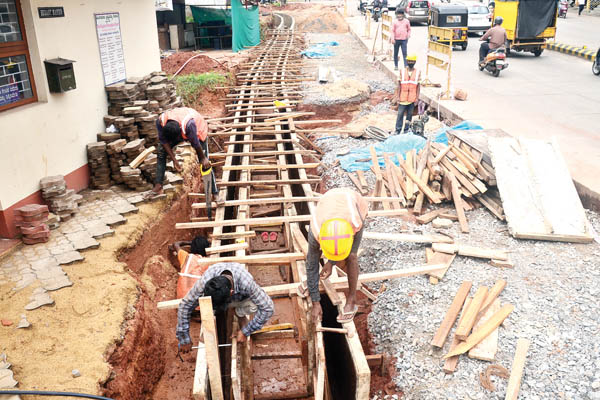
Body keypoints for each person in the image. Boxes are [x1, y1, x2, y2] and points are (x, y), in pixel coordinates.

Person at [177, 262, 274, 352]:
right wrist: (184, 339)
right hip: (224, 296)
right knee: (202, 303)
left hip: (240, 298)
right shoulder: (205, 281)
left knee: (254, 306)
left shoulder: (246, 283)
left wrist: (246, 331)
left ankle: (239, 312)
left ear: (231, 292)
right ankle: (208, 329)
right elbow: (185, 305)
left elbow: (268, 308)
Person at [305, 188, 369, 324]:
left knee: (351, 256)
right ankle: (313, 285)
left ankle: (352, 301)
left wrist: (331, 262)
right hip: (329, 201)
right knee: (312, 263)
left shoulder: (355, 223)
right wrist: (316, 301)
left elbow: (344, 248)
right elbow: (311, 264)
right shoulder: (315, 231)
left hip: (352, 202)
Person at [147, 107, 217, 198]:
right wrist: (174, 160)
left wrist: (203, 158)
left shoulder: (189, 125)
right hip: (180, 128)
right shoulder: (160, 121)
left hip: (199, 130)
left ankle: (214, 192)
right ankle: (158, 185)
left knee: (205, 162)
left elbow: (196, 144)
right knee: (161, 151)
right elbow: (164, 142)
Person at [169, 235, 210, 300]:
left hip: (181, 300)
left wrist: (190, 242)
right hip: (198, 304)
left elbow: (176, 244)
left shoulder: (186, 257)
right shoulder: (206, 262)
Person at [393, 54, 420, 135]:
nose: (411, 62)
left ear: (415, 62)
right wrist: (397, 96)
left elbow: (418, 86)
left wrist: (417, 98)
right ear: (407, 61)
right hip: (402, 97)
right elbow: (399, 85)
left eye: (412, 61)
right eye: (409, 61)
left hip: (412, 98)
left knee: (409, 115)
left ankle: (406, 130)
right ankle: (398, 130)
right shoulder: (402, 71)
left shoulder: (417, 72)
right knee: (400, 114)